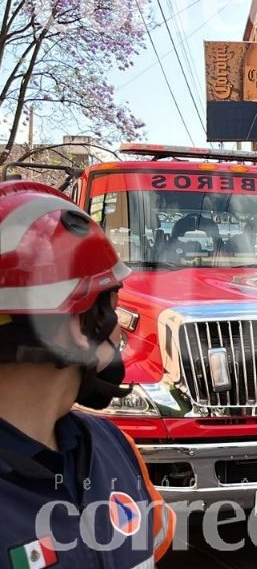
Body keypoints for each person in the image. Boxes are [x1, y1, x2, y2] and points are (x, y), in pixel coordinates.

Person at [0, 181, 175, 566]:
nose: (119, 332)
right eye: (112, 303)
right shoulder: (116, 452)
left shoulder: (115, 448)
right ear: (76, 329)